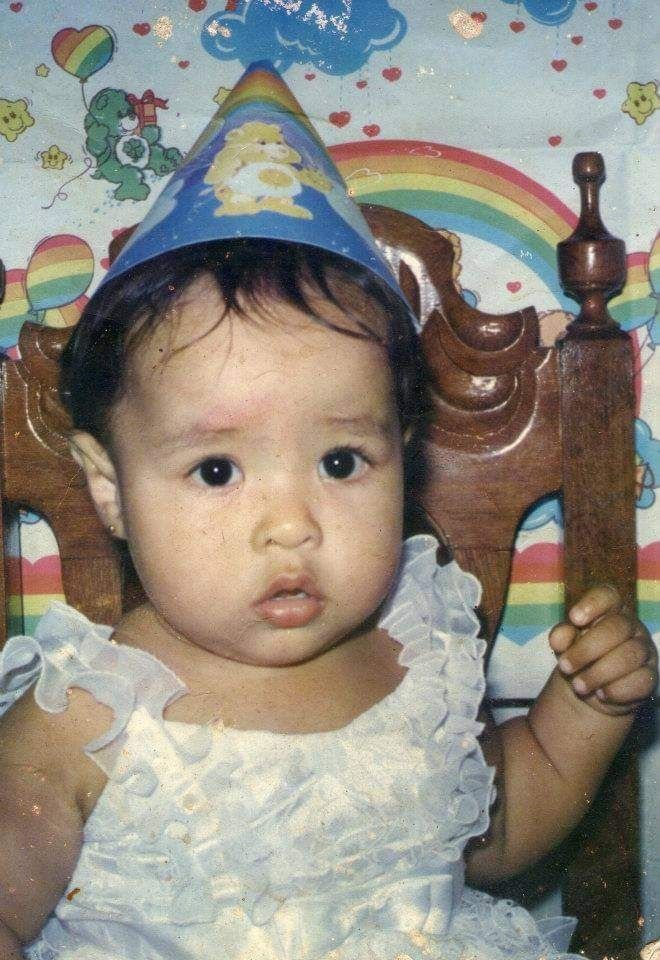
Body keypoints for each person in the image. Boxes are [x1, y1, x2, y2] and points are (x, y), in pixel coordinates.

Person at [0, 61, 656, 960]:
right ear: (110, 488)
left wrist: (585, 711)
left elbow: (492, 840)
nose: (291, 525)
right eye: (218, 469)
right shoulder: (84, 712)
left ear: (403, 455)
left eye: (341, 461)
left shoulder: (416, 656)